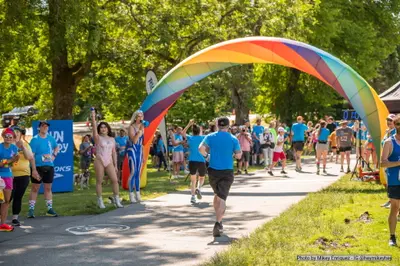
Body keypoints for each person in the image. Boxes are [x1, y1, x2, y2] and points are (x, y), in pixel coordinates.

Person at [199, 117, 242, 237]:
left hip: (213, 170)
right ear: (229, 126)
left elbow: (200, 149)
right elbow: (239, 156)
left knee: (217, 195)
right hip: (227, 171)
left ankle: (219, 220)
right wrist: (234, 153)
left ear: (217, 125)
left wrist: (207, 156)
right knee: (222, 198)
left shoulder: (210, 137)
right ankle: (218, 223)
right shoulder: (233, 139)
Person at [91, 111, 123, 208]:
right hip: (100, 160)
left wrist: (115, 165)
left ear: (108, 129)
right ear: (99, 129)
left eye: (105, 127)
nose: (103, 129)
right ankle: (100, 200)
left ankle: (116, 199)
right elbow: (94, 130)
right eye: (101, 127)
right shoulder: (98, 138)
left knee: (114, 180)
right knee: (99, 181)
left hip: (109, 161)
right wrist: (93, 117)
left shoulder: (112, 139)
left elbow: (114, 152)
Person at [28, 121, 60, 218]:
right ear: (39, 128)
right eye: (43, 126)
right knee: (35, 188)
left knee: (48, 188)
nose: (45, 127)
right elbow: (31, 156)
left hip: (49, 166)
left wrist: (53, 156)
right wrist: (33, 169)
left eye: (46, 126)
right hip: (38, 167)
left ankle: (49, 209)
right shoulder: (34, 140)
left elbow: (56, 147)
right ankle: (31, 210)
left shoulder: (51, 138)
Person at [381, 114, 400, 246]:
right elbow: (383, 163)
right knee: (395, 207)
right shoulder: (389, 142)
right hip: (395, 180)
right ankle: (392, 237)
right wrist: (398, 163)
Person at [10, 126, 33, 226]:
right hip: (9, 175)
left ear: (20, 135)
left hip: (24, 175)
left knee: (18, 197)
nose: (16, 134)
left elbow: (30, 157)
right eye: (13, 133)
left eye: (17, 132)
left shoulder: (26, 145)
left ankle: (15, 218)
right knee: (7, 197)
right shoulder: (6, 145)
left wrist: (22, 147)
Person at [182, 120, 206, 204]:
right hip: (201, 160)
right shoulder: (202, 138)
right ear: (200, 131)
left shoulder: (190, 138)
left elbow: (183, 132)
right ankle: (199, 188)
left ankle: (192, 197)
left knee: (193, 180)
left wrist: (189, 124)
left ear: (192, 131)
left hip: (192, 160)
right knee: (202, 177)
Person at [0, 128, 19, 231]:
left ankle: (3, 224)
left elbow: (13, 164)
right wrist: (10, 160)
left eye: (10, 137)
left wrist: (14, 161)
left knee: (6, 201)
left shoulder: (14, 148)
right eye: (6, 136)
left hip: (8, 175)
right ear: (3, 137)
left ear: (13, 138)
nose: (8, 138)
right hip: (0, 176)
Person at [127, 110, 147, 203]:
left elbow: (142, 143)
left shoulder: (143, 127)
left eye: (142, 116)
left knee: (138, 173)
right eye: (139, 116)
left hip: (139, 151)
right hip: (132, 151)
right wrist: (140, 131)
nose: (141, 117)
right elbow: (134, 140)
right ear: (135, 117)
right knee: (133, 172)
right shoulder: (131, 127)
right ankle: (131, 194)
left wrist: (143, 155)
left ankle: (138, 193)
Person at [381, 114, 397, 208]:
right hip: (386, 159)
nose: (389, 123)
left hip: (392, 160)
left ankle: (393, 201)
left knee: (392, 181)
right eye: (388, 121)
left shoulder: (395, 132)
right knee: (388, 180)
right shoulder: (388, 132)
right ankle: (390, 200)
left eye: (390, 121)